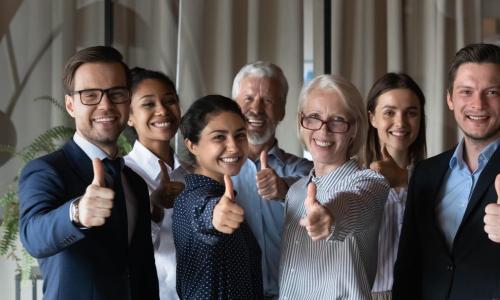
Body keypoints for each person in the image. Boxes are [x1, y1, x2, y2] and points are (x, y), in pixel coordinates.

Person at [18, 46, 159, 300]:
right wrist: (77, 212)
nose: (106, 105)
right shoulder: (47, 170)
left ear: (127, 101)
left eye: (116, 93)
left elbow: (143, 269)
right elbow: (33, 235)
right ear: (70, 105)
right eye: (90, 95)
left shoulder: (134, 181)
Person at [392, 43, 500, 300]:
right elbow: (409, 264)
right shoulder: (425, 173)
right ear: (450, 99)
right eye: (466, 91)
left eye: (492, 91)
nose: (478, 103)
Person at [279, 74, 389, 299]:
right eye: (314, 117)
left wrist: (331, 218)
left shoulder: (371, 182)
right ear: (302, 121)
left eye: (337, 120)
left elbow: (355, 203)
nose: (323, 130)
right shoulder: (296, 191)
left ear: (354, 129)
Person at [231, 61, 312, 298]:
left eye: (267, 100)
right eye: (248, 99)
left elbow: (318, 191)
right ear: (234, 105)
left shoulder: (304, 168)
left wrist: (284, 189)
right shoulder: (215, 172)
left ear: (282, 111)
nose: (256, 109)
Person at [173, 95, 263, 299]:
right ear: (192, 145)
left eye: (240, 135)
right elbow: (204, 214)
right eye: (219, 137)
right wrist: (215, 216)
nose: (233, 146)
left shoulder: (220, 193)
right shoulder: (193, 198)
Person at [124, 67, 188, 300]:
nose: (162, 110)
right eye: (148, 104)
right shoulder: (123, 174)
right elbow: (124, 252)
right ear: (129, 115)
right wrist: (154, 208)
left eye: (170, 100)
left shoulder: (191, 175)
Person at [364, 73, 427, 300]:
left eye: (411, 113)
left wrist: (403, 178)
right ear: (372, 117)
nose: (400, 123)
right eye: (389, 112)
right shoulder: (354, 177)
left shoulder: (439, 177)